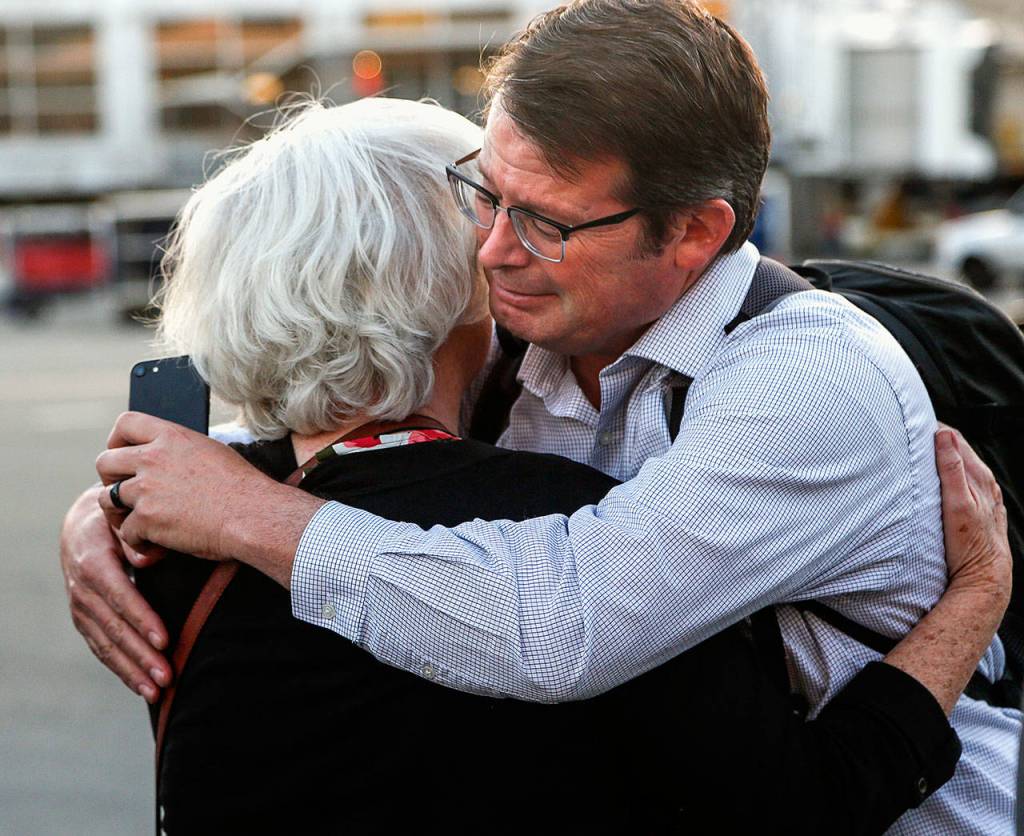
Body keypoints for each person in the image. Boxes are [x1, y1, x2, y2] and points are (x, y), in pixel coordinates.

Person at [64, 0, 1018, 831]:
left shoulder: (803, 380)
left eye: (545, 221)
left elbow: (562, 626)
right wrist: (119, 501)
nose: (489, 251)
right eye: (487, 193)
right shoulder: (548, 323)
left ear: (695, 231)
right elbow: (365, 406)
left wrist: (238, 513)